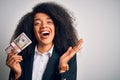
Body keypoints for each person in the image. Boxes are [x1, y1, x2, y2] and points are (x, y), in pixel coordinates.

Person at [6, 2, 83, 80]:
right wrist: (17, 75)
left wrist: (62, 67)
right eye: (37, 23)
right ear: (32, 29)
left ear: (57, 27)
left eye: (49, 22)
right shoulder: (21, 55)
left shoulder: (67, 56)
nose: (43, 26)